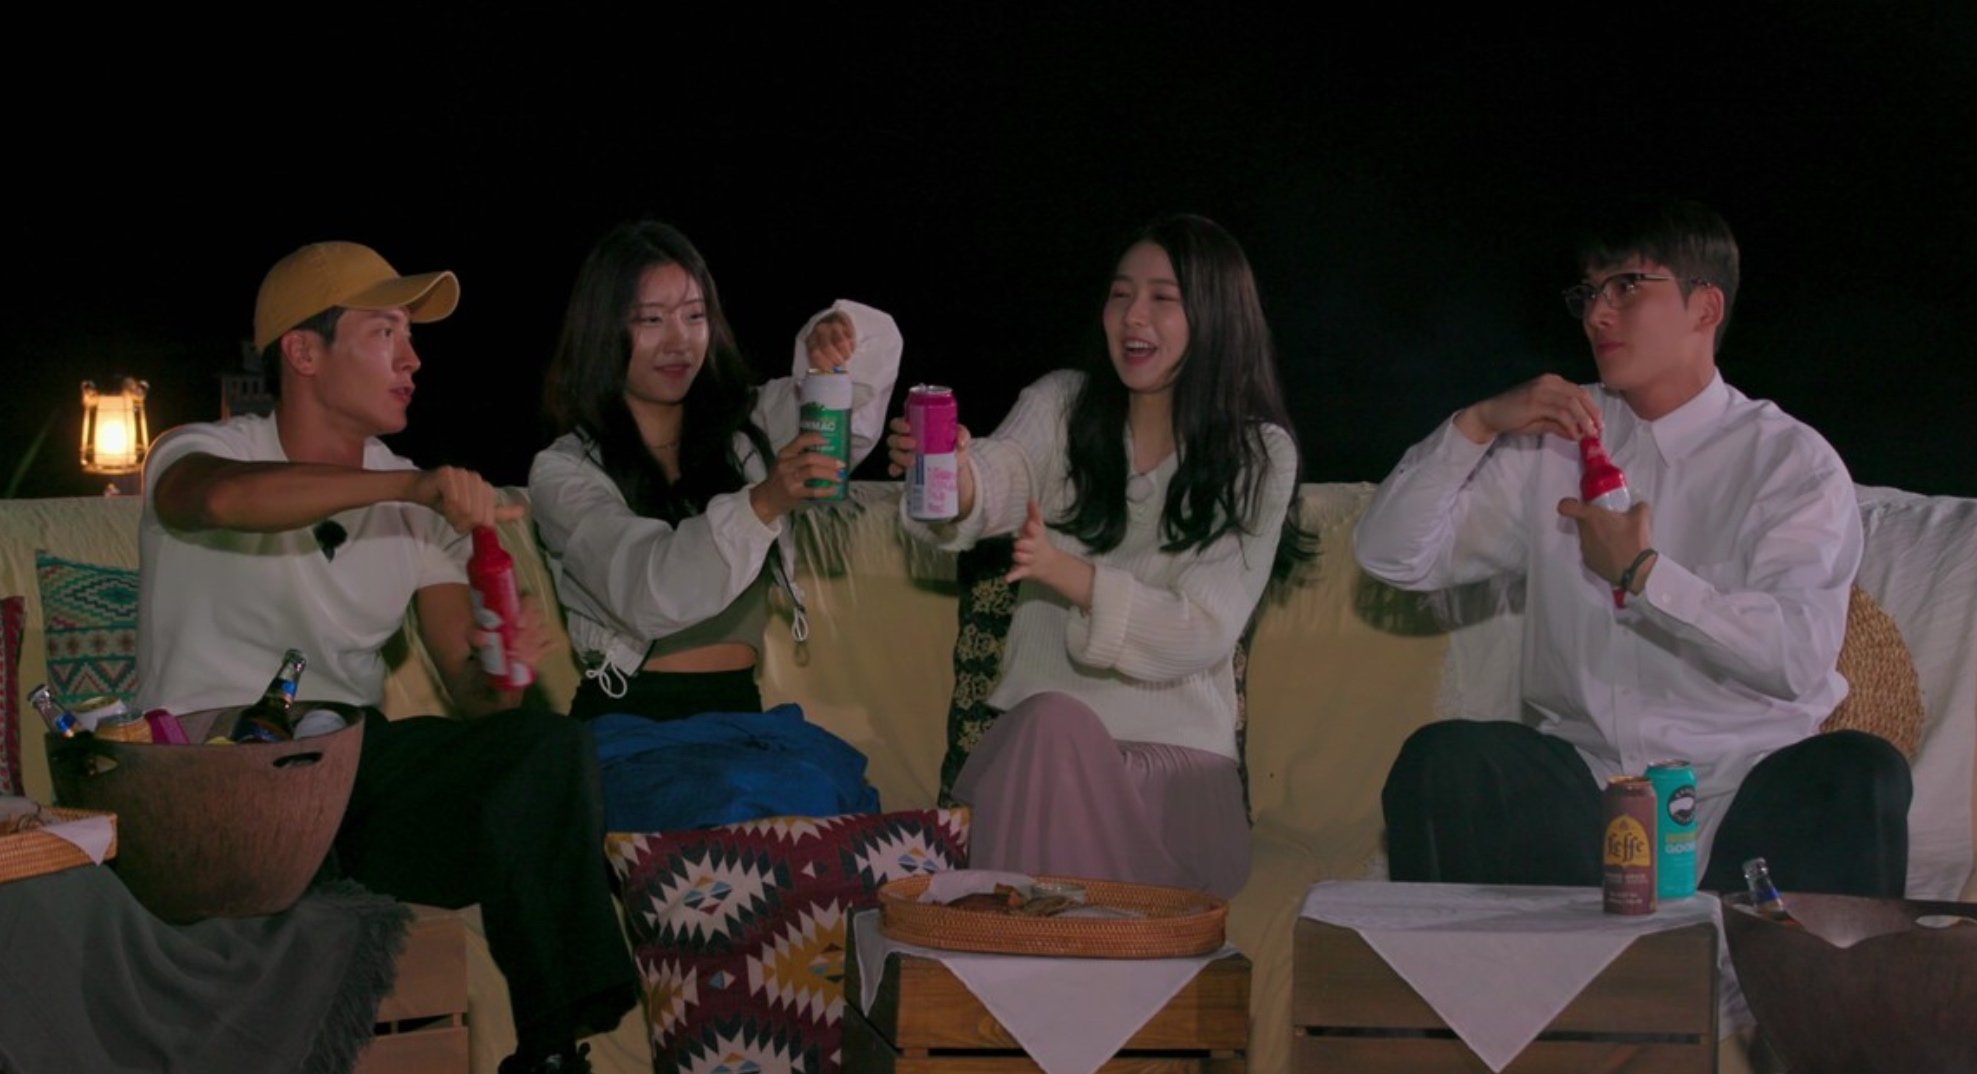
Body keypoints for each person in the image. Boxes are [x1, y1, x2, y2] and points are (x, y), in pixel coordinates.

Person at [137, 241, 634, 1074]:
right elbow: (221, 501)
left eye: (410, 337)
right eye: (384, 334)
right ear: (304, 352)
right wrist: (408, 490)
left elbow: (478, 701)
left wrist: (501, 663)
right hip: (215, 770)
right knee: (289, 802)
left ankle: (553, 1050)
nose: (412, 359)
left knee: (545, 748)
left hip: (349, 768)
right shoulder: (199, 453)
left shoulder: (421, 501)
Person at [1354, 198, 1911, 896]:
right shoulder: (1554, 438)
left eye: (1625, 287)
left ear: (1705, 307)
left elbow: (1797, 657)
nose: (1597, 315)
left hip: (1746, 790)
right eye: (1588, 293)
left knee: (1863, 773)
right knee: (1446, 760)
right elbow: (1394, 556)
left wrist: (1646, 575)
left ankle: (1756, 955)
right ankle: (1522, 970)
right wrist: (1476, 424)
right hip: (1585, 789)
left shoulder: (1788, 461)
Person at [888, 214, 1312, 898]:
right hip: (1037, 767)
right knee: (1051, 724)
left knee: (1052, 725)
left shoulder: (1258, 455)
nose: (1132, 315)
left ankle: (1035, 955)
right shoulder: (1062, 405)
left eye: (1162, 297)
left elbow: (1201, 630)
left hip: (1175, 791)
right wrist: (952, 478)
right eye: (1120, 294)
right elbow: (1001, 475)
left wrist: (1068, 574)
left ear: (1217, 317)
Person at [529, 220, 900, 828]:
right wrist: (763, 502)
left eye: (694, 316)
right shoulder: (565, 471)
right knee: (741, 807)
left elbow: (850, 418)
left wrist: (832, 345)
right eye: (651, 320)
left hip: (743, 726)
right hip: (631, 734)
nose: (679, 341)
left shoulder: (748, 430)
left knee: (833, 806)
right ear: (603, 329)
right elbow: (647, 589)